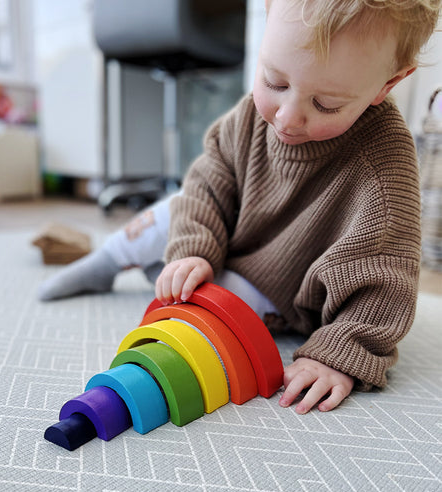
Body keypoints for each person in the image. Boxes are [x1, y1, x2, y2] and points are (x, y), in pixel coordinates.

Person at [39, 0, 441, 414]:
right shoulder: (249, 116)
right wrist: (194, 250)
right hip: (225, 236)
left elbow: (385, 275)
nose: (287, 118)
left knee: (203, 324)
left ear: (387, 84)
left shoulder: (385, 166)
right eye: (275, 82)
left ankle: (162, 272)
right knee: (174, 210)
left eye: (326, 105)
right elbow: (207, 185)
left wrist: (341, 351)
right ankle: (107, 261)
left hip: (277, 285)